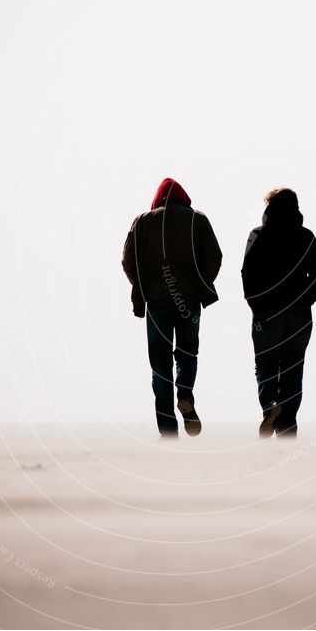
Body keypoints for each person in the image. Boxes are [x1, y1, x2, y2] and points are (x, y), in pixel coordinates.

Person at [122, 178, 222, 437]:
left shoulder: (143, 221)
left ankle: (167, 430)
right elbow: (215, 257)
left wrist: (142, 285)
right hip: (188, 299)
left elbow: (127, 260)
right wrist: (201, 283)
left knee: (160, 364)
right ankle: (185, 394)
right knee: (188, 353)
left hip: (156, 301)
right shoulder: (198, 220)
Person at [242, 188, 316, 437]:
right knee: (293, 370)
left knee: (264, 367)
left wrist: (256, 303)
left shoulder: (258, 235)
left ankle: (270, 406)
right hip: (298, 314)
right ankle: (287, 429)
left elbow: (247, 272)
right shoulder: (306, 236)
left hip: (266, 313)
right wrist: (306, 299)